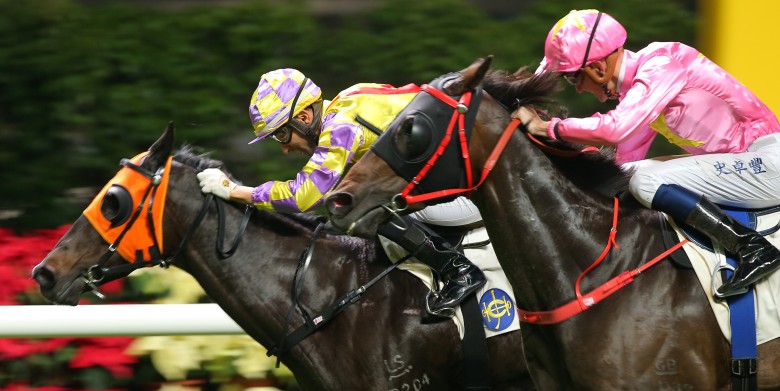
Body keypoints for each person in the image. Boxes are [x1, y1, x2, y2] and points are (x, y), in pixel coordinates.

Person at [515, 8, 780, 299]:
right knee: (631, 178)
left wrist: (548, 128)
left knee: (647, 182)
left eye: (573, 79)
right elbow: (622, 166)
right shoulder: (640, 90)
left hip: (765, 161)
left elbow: (615, 130)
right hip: (739, 165)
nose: (577, 89)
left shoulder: (661, 63)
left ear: (598, 68)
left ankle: (750, 246)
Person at [197, 68, 485, 316]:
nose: (284, 148)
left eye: (282, 134)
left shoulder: (340, 128)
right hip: (461, 178)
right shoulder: (351, 96)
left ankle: (458, 270)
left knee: (359, 209)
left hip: (471, 195)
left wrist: (235, 191)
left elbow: (303, 197)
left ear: (305, 117)